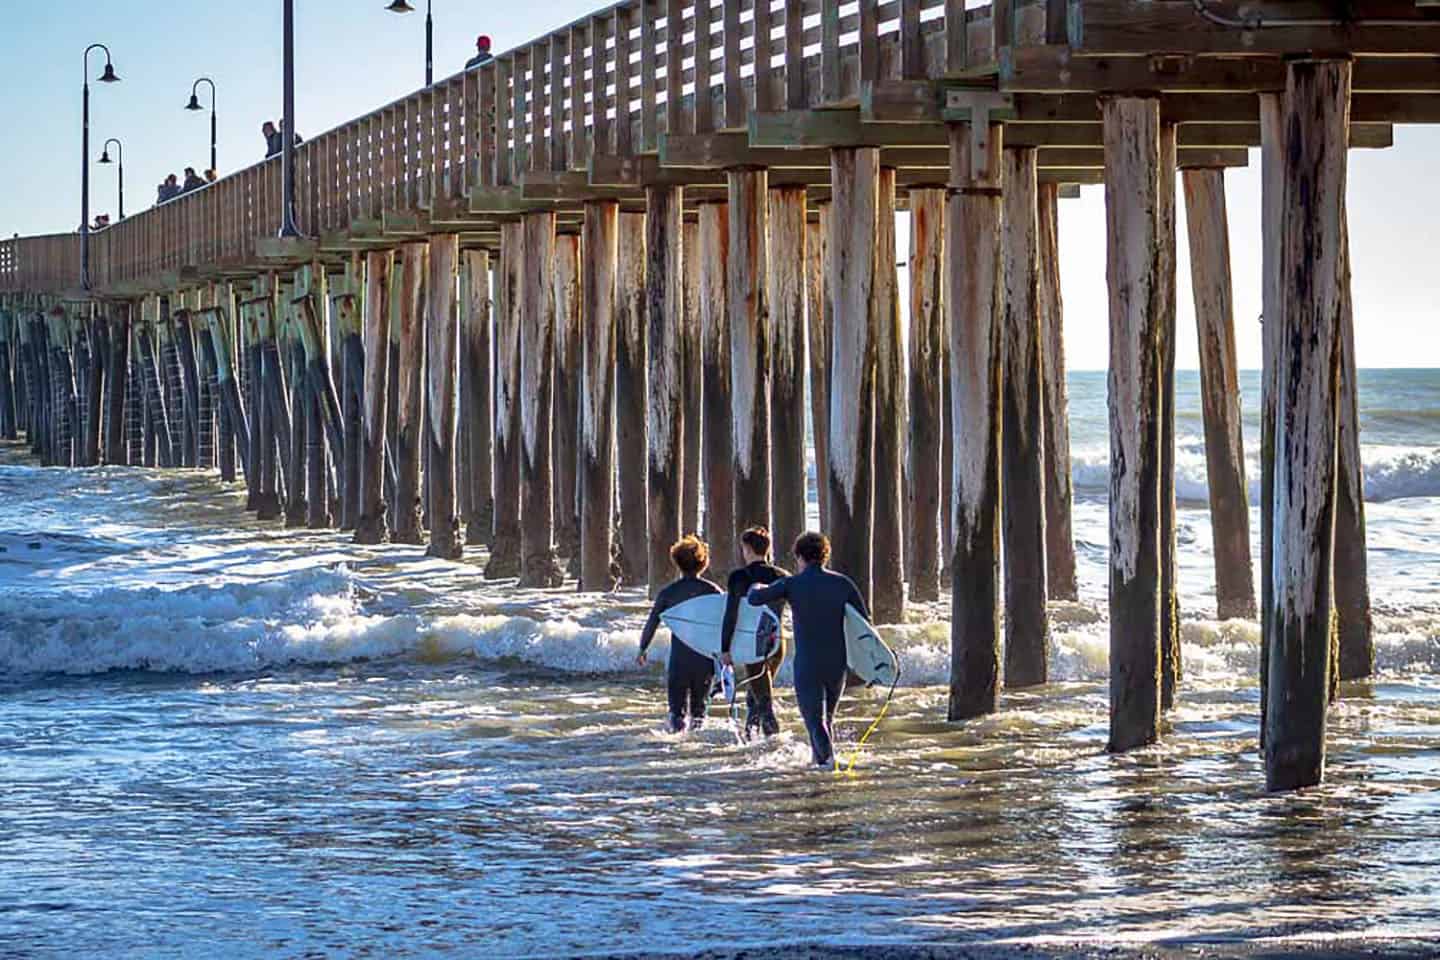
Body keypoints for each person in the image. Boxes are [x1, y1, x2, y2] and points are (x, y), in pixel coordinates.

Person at [747, 532, 868, 768]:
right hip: (836, 662)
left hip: (808, 664)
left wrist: (756, 586)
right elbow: (864, 623)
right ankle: (820, 763)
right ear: (825, 555)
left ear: (799, 556)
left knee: (814, 720)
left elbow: (755, 599)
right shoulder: (843, 583)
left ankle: (829, 768)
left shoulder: (791, 584)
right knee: (826, 720)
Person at [636, 535, 722, 732]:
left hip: (679, 661)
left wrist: (642, 649)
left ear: (676, 562)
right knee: (699, 714)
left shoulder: (668, 593)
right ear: (703, 562)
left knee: (676, 713)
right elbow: (724, 625)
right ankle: (695, 753)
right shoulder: (713, 591)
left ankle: (675, 747)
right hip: (704, 659)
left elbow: (652, 622)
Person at [719, 526, 788, 738]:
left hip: (754, 642)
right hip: (778, 642)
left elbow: (731, 614)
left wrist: (725, 648)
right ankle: (751, 738)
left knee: (764, 702)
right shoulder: (783, 575)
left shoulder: (739, 577)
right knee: (756, 696)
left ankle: (776, 746)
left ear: (747, 549)